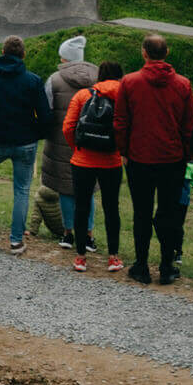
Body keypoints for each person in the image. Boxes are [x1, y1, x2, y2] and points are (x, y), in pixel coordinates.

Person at [115, 33, 193, 284]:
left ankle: (141, 265)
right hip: (172, 158)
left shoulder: (129, 82)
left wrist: (123, 151)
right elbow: (189, 126)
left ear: (144, 53)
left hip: (140, 157)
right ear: (167, 52)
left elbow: (120, 122)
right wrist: (187, 154)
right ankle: (166, 265)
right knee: (169, 213)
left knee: (142, 212)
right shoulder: (183, 85)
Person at [0, 36, 51, 255]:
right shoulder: (33, 81)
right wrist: (37, 134)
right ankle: (15, 241)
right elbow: (45, 116)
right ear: (23, 55)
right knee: (21, 190)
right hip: (25, 143)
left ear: (3, 52)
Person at [62, 60, 126, 273]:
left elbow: (68, 126)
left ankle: (80, 257)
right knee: (111, 207)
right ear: (120, 76)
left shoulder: (83, 95)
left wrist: (77, 147)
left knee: (81, 206)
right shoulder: (125, 97)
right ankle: (113, 257)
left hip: (83, 160)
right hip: (111, 160)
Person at [37, 35, 97, 250]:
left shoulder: (54, 79)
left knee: (65, 188)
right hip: (91, 141)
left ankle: (68, 233)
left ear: (65, 58)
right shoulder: (97, 78)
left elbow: (46, 110)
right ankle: (89, 235)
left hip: (61, 139)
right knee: (88, 189)